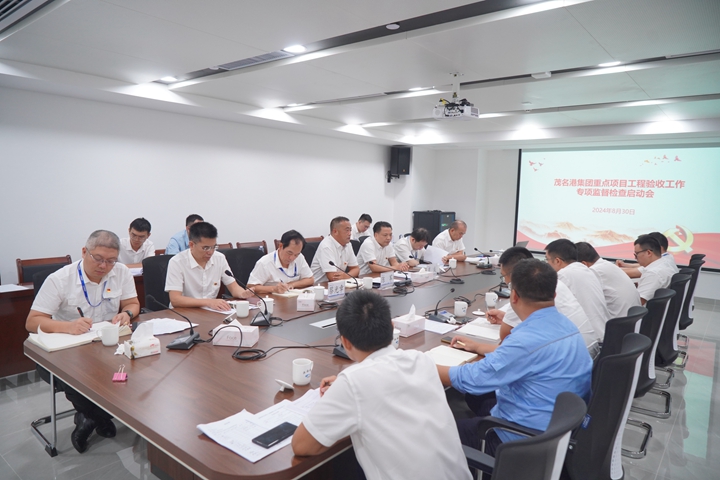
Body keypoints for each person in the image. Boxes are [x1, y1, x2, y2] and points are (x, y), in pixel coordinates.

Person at [292, 290, 471, 480]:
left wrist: (344, 390)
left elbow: (301, 445)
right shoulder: (421, 360)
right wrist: (345, 388)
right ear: (392, 327)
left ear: (345, 342)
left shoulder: (353, 383)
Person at [437, 259, 592, 456]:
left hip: (522, 442)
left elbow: (472, 379)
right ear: (554, 294)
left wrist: (423, 365)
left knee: (437, 433)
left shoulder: (525, 339)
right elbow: (524, 356)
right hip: (556, 428)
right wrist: (478, 347)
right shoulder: (567, 326)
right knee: (478, 398)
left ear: (514, 296)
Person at [25, 230, 140, 453]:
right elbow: (32, 322)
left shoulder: (121, 272)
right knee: (77, 378)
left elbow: (133, 303)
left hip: (106, 347)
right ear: (84, 251)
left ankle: (90, 417)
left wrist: (127, 313)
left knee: (138, 370)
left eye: (111, 261)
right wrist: (68, 326)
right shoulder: (60, 279)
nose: (104, 266)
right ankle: (97, 417)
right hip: (66, 351)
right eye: (98, 258)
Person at [488, 247, 598, 356]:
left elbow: (505, 338)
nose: (505, 281)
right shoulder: (551, 283)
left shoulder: (522, 290)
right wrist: (507, 318)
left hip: (572, 356)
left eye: (504, 276)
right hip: (588, 351)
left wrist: (477, 346)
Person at [165, 222, 252, 310]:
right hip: (184, 313)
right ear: (191, 245)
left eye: (214, 247)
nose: (210, 252)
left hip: (210, 312)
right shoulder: (177, 262)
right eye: (205, 248)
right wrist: (208, 302)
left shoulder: (219, 258)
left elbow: (234, 287)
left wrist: (243, 293)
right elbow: (175, 300)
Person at [545, 239, 610, 340]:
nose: (546, 264)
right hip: (603, 334)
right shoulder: (586, 270)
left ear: (557, 261)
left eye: (547, 260)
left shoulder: (563, 275)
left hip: (589, 338)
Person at [576, 241, 641, 319]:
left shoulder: (593, 271)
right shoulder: (608, 265)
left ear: (583, 264)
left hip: (616, 321)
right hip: (630, 320)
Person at [247, 230, 314, 294]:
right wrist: (274, 289)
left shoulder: (299, 257)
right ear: (280, 246)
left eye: (296, 254)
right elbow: (250, 287)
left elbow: (310, 279)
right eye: (289, 253)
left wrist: (291, 284)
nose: (292, 258)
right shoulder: (265, 262)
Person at [311, 216, 359, 283]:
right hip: (320, 285)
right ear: (335, 231)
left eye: (350, 230)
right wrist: (348, 275)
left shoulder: (348, 244)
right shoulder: (326, 246)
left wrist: (346, 276)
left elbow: (356, 269)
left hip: (338, 284)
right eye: (347, 230)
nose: (350, 233)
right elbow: (332, 277)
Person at [632, 234, 676, 305]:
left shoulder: (653, 273)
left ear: (648, 253)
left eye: (636, 254)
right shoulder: (663, 264)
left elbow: (637, 302)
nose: (635, 258)